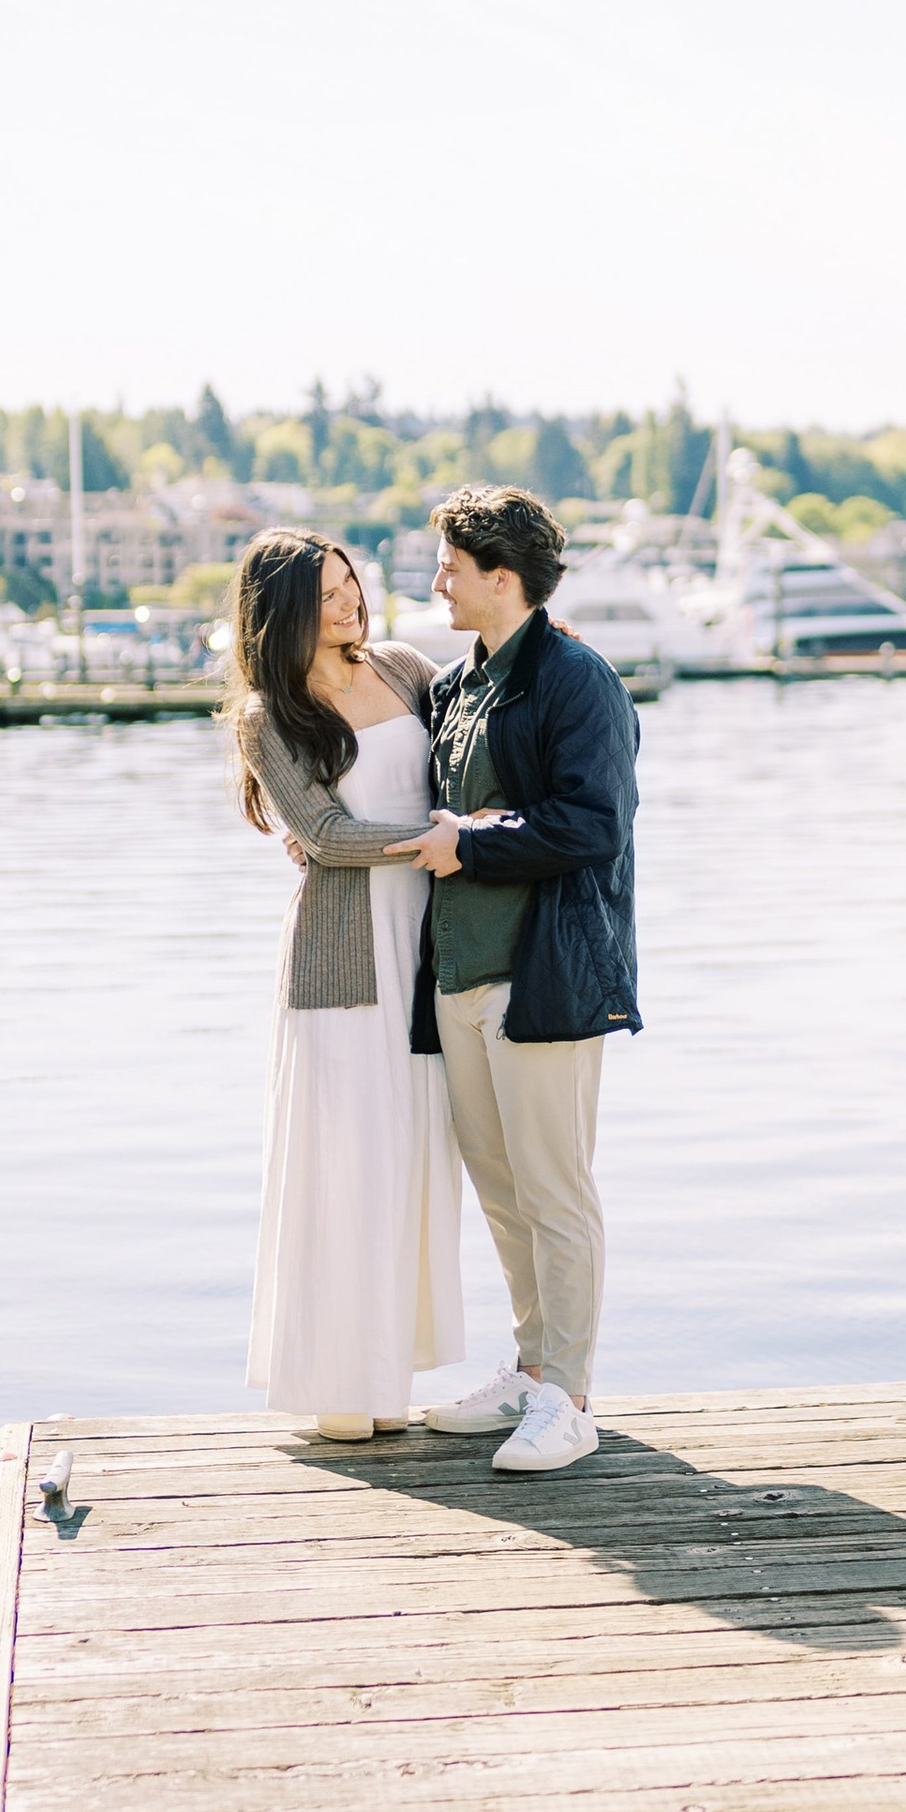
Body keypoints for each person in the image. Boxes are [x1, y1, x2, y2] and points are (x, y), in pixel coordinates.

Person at [399, 484, 642, 1475]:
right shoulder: (459, 684)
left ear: (502, 578)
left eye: (451, 567)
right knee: (501, 1190)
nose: (438, 582)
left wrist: (472, 842)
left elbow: (593, 825)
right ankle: (532, 1368)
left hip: (541, 979)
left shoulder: (577, 681)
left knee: (554, 1190)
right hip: (458, 978)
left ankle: (569, 1398)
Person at [229, 531, 462, 1440]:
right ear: (282, 613)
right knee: (346, 1165)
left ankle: (386, 1373)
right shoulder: (268, 714)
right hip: (343, 958)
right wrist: (437, 841)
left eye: (349, 583)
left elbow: (475, 741)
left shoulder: (403, 668)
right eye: (324, 595)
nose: (347, 604)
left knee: (408, 1157)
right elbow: (324, 837)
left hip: (424, 942)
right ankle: (337, 1387)